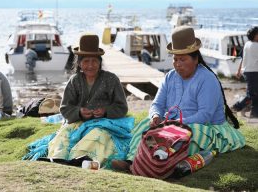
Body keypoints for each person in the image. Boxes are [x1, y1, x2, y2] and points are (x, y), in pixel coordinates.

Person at [112, 26, 245, 173]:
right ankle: (132, 161)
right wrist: (156, 115)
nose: (177, 64)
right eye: (175, 59)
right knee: (145, 125)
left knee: (188, 134)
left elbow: (205, 115)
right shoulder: (170, 77)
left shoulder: (207, 79)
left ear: (195, 59)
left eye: (182, 59)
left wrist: (176, 124)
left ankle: (159, 164)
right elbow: (157, 104)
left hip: (204, 126)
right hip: (171, 124)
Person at [44, 34, 132, 167]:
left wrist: (105, 111)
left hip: (104, 124)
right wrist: (79, 112)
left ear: (100, 62)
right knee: (64, 134)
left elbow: (122, 107)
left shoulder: (111, 79)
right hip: (78, 123)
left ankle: (78, 160)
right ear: (79, 63)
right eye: (86, 61)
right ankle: (57, 160)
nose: (90, 65)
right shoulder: (74, 81)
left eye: (94, 61)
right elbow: (65, 108)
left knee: (96, 136)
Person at [232, 26, 258, 118]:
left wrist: (239, 71)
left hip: (248, 71)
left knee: (253, 94)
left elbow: (243, 59)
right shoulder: (255, 46)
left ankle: (254, 114)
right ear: (255, 36)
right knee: (252, 94)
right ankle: (235, 108)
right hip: (253, 72)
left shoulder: (247, 44)